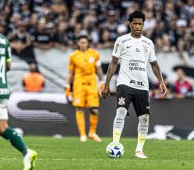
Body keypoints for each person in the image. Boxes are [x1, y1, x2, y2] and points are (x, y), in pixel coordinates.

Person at [101, 10, 168, 158]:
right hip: (124, 83)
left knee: (144, 118)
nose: (137, 26)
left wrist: (161, 83)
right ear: (130, 24)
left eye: (140, 23)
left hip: (142, 86)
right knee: (121, 111)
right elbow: (113, 63)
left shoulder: (148, 43)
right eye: (135, 23)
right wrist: (106, 84)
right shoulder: (122, 40)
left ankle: (139, 150)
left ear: (143, 25)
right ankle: (115, 144)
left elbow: (154, 65)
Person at [0, 14, 37, 170]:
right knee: (1, 127)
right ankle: (26, 151)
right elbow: (9, 66)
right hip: (2, 90)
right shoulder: (4, 41)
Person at [65, 35, 104, 142]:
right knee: (80, 108)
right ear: (78, 43)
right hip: (79, 85)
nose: (83, 44)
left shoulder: (94, 54)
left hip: (91, 84)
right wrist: (67, 87)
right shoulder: (74, 56)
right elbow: (70, 73)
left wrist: (102, 83)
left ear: (88, 43)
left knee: (94, 109)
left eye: (85, 42)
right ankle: (83, 135)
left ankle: (92, 132)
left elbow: (99, 70)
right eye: (81, 42)